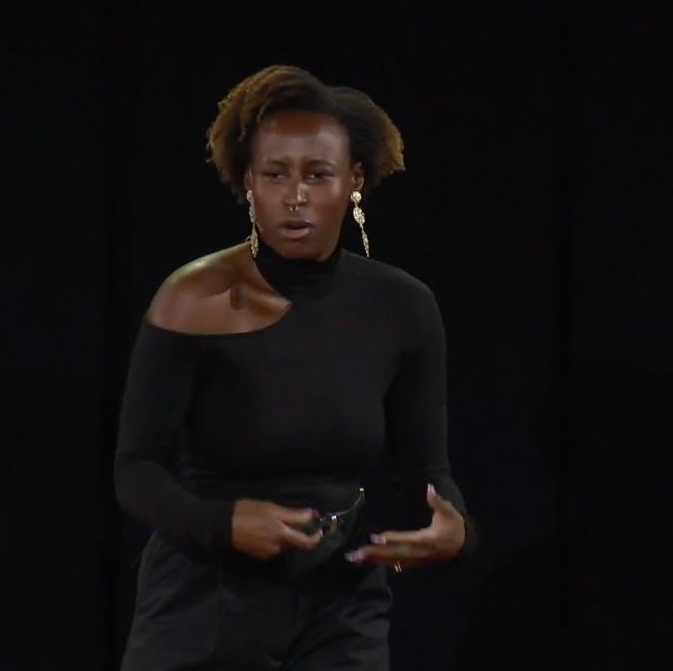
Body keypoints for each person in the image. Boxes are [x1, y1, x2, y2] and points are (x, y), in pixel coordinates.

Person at [113, 64, 477, 671]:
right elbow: (136, 471)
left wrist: (455, 530)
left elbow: (425, 472)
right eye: (276, 175)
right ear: (247, 183)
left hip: (339, 602)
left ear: (354, 181)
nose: (296, 196)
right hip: (205, 602)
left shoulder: (401, 307)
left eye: (318, 175)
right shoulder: (195, 297)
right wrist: (224, 523)